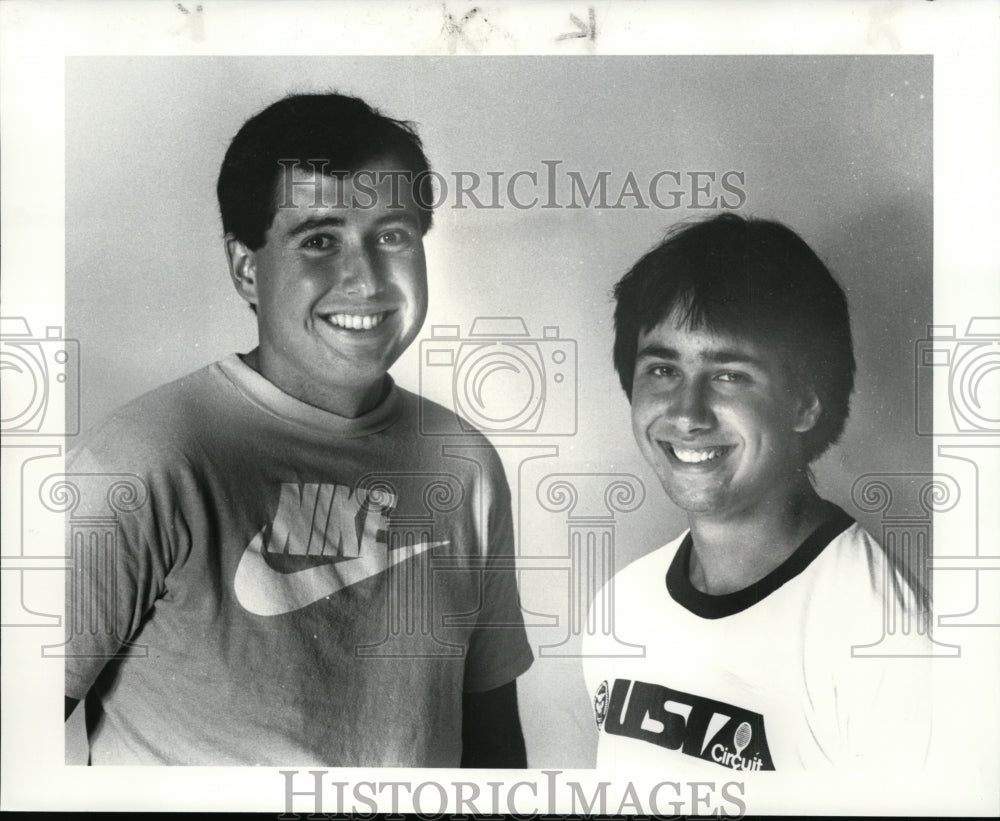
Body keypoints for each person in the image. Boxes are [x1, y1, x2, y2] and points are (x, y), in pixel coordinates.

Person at [63, 92, 533, 766]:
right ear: (247, 268)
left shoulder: (462, 463)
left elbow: (492, 746)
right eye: (320, 239)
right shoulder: (144, 461)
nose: (366, 278)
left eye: (392, 236)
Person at [583, 213, 932, 778]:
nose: (687, 414)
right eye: (663, 369)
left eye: (729, 375)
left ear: (804, 403)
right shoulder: (622, 604)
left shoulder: (885, 640)